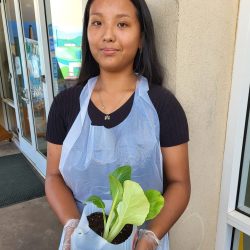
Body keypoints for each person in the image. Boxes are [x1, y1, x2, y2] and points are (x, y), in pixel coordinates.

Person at [45, 0, 191, 249]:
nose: (108, 35)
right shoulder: (65, 105)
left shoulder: (163, 106)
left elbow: (180, 184)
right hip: (82, 240)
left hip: (141, 241)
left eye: (122, 24)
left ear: (142, 38)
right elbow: (54, 175)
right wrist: (72, 226)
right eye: (97, 23)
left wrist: (150, 238)